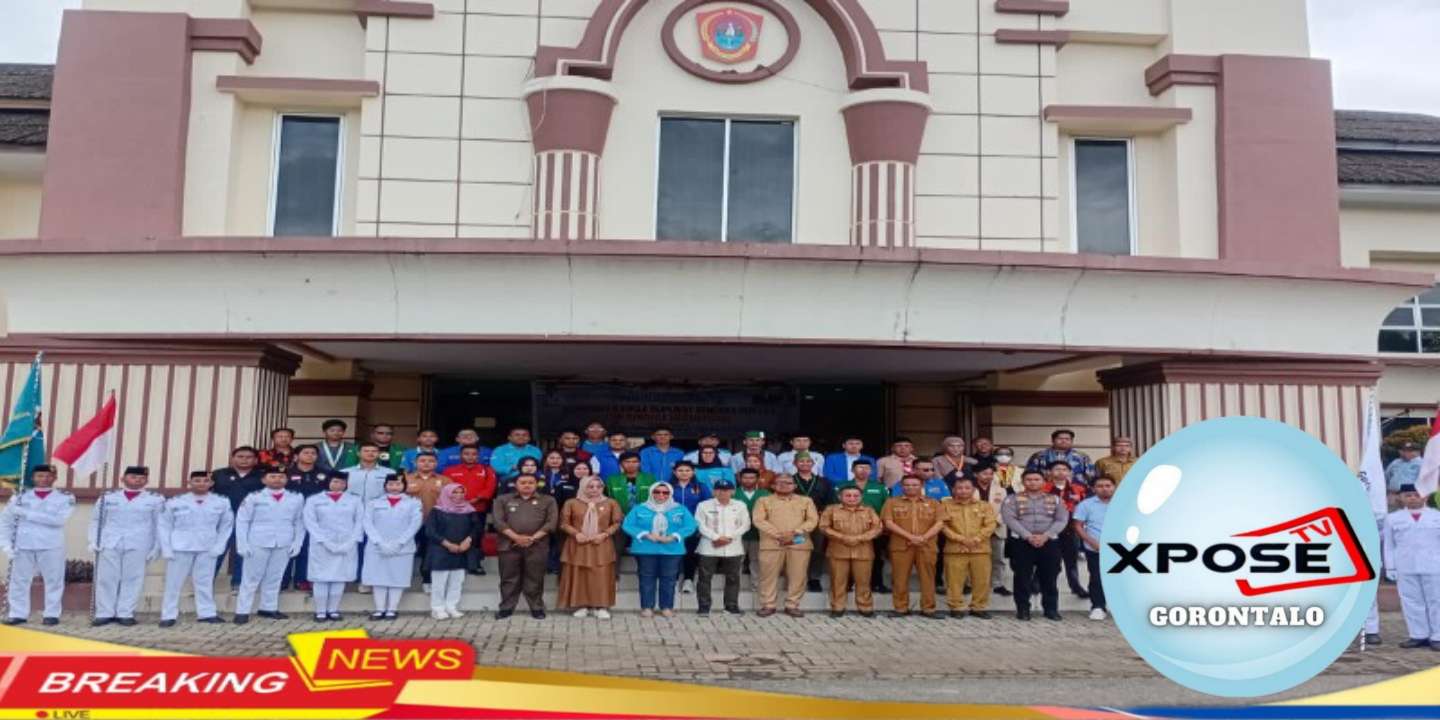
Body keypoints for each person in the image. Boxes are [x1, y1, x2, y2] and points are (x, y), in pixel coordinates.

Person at [89, 466, 164, 627]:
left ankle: (125, 613)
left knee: (133, 579)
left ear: (146, 481)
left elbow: (160, 525)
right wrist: (93, 540)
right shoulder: (107, 498)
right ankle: (104, 613)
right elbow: (96, 520)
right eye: (133, 477)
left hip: (139, 543)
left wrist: (157, 547)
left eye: (141, 478)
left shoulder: (155, 500)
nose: (137, 480)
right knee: (106, 578)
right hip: (110, 542)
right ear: (122, 479)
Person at [0, 465, 74, 626]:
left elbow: (58, 521)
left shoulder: (64, 498)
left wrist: (27, 513)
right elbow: (5, 522)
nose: (44, 479)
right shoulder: (20, 497)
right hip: (23, 544)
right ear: (33, 478)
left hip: (51, 544)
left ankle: (51, 614)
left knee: (54, 580)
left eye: (48, 476)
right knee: (19, 580)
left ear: (54, 478)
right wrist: (5, 544)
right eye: (40, 476)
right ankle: (17, 614)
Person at [158, 470, 234, 627]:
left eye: (205, 481)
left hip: (208, 547)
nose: (201, 484)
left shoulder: (221, 502)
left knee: (204, 582)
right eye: (197, 481)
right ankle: (168, 615)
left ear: (211, 483)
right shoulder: (175, 501)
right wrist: (166, 548)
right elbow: (164, 525)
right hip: (180, 546)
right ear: (189, 482)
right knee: (173, 583)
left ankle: (206, 613)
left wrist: (220, 546)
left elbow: (226, 525)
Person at [233, 469, 305, 624]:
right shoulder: (254, 497)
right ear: (264, 480)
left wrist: (297, 542)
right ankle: (242, 611)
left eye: (281, 477)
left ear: (286, 479)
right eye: (272, 476)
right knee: (251, 578)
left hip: (284, 541)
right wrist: (242, 543)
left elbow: (299, 522)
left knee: (275, 577)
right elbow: (242, 520)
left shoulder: (296, 497)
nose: (277, 479)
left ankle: (268, 608)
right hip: (258, 541)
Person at [1002, 470, 1070, 621]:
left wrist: (1046, 535)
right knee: (1022, 577)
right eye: (1029, 479)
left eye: (1036, 479)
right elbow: (1010, 519)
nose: (1033, 482)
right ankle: (1023, 609)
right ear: (1023, 482)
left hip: (1049, 542)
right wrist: (1027, 536)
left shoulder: (1055, 499)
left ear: (1044, 481)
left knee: (1050, 577)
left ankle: (1051, 609)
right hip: (1022, 542)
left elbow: (1062, 519)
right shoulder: (1012, 499)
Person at [623, 482, 697, 618]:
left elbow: (691, 526)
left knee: (669, 579)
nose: (661, 495)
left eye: (665, 492)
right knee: (646, 579)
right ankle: (647, 607)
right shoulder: (640, 508)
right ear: (651, 493)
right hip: (645, 549)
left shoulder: (680, 509)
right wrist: (645, 534)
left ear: (670, 494)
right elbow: (627, 525)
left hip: (672, 550)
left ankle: (666, 607)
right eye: (657, 492)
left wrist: (673, 536)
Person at [751, 474, 819, 617]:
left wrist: (795, 532)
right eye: (779, 482)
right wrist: (778, 534)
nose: (784, 485)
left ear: (795, 486)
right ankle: (768, 604)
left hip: (798, 543)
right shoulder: (763, 501)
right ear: (773, 486)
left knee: (798, 576)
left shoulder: (806, 501)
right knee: (768, 576)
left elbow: (812, 520)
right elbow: (758, 520)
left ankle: (792, 605)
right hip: (772, 543)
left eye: (788, 483)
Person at [493, 474, 558, 619]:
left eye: (530, 482)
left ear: (537, 484)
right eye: (522, 482)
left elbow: (551, 522)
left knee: (535, 578)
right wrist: (516, 537)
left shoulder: (548, 500)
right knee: (508, 578)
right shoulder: (503, 499)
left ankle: (536, 607)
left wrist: (532, 538)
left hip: (537, 545)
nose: (527, 485)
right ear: (516, 484)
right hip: (509, 545)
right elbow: (498, 522)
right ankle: (506, 607)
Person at [1384, 484, 1440, 649]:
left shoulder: (1436, 516)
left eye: (1417, 495)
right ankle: (1418, 635)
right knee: (1410, 600)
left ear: (1425, 496)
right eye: (1408, 495)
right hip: (1405, 565)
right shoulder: (1393, 518)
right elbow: (1389, 545)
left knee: (1436, 600)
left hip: (1434, 565)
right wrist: (1390, 567)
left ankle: (1437, 636)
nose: (1413, 498)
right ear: (1400, 498)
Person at [303, 472, 364, 622]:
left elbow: (360, 522)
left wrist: (350, 542)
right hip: (321, 545)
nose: (339, 485)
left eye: (342, 483)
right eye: (335, 482)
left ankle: (333, 610)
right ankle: (320, 611)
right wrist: (325, 542)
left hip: (346, 544)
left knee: (340, 577)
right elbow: (310, 522)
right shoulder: (314, 500)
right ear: (328, 482)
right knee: (320, 578)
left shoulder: (355, 500)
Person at [558, 476, 622, 619]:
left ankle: (601, 606)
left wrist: (605, 534)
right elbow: (563, 523)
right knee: (580, 575)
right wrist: (576, 534)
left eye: (598, 486)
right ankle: (582, 605)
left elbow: (617, 522)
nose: (594, 489)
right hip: (578, 544)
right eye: (590, 486)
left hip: (601, 544)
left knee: (601, 576)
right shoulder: (572, 503)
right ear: (582, 487)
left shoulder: (611, 503)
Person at [882, 475, 944, 618]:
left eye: (915, 485)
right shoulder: (891, 502)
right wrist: (911, 537)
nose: (911, 487)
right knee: (900, 578)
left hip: (926, 546)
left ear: (921, 485)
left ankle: (928, 608)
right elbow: (888, 523)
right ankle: (900, 608)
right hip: (901, 546)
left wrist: (923, 538)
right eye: (907, 485)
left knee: (928, 578)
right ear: (901, 486)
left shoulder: (933, 503)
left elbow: (940, 523)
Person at [362, 474, 422, 620]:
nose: (394, 487)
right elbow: (367, 523)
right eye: (391, 484)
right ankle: (379, 609)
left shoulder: (413, 503)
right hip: (377, 547)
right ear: (385, 486)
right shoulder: (374, 503)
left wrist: (400, 542)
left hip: (402, 548)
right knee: (378, 578)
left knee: (398, 578)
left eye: (398, 484)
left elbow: (415, 524)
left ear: (404, 486)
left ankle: (392, 609)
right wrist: (379, 542)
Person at [818, 485, 883, 617]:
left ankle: (865, 607)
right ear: (840, 497)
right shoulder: (831, 510)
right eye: (848, 495)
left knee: (863, 581)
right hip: (838, 550)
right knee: (838, 581)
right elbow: (824, 527)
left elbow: (878, 528)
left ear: (861, 497)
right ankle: (837, 607)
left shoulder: (869, 510)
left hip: (863, 551)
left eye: (855, 496)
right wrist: (843, 537)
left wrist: (859, 538)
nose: (852, 498)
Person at [344, 441, 399, 592]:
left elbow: (393, 493)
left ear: (379, 454)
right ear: (358, 453)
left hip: (378, 517)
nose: (370, 453)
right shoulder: (346, 472)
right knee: (351, 548)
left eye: (374, 451)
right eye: (366, 450)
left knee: (373, 549)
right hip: (351, 516)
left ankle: (367, 580)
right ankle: (348, 577)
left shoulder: (389, 473)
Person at [941, 475, 997, 618]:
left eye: (967, 488)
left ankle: (978, 607)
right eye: (959, 488)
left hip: (980, 549)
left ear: (973, 489)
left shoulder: (984, 505)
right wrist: (960, 539)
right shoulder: (945, 505)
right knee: (954, 580)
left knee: (982, 580)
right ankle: (956, 607)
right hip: (955, 549)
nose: (963, 491)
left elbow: (991, 525)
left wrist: (977, 538)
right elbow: (942, 525)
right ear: (953, 490)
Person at [694, 478, 750, 615]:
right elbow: (700, 524)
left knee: (733, 578)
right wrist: (716, 537)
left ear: (732, 491)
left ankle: (731, 606)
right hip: (709, 547)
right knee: (704, 578)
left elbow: (745, 525)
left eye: (726, 490)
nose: (722, 493)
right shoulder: (703, 505)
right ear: (714, 491)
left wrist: (729, 537)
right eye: (719, 490)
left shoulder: (740, 505)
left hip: (733, 547)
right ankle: (704, 607)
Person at [834, 458, 891, 594]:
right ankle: (847, 584)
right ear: (852, 470)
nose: (863, 470)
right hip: (847, 527)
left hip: (873, 528)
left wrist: (883, 525)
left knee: (876, 556)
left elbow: (886, 507)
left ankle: (876, 583)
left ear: (871, 471)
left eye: (866, 468)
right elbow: (834, 506)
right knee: (847, 556)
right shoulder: (841, 486)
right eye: (860, 467)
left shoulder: (880, 487)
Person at [212, 446, 265, 589]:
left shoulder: (262, 476)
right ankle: (205, 583)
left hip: (251, 520)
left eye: (248, 457)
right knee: (216, 551)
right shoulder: (218, 474)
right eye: (240, 457)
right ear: (232, 458)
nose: (244, 460)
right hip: (222, 519)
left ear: (255, 460)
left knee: (244, 551)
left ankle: (238, 583)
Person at [282, 445, 332, 592]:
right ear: (296, 456)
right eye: (306, 453)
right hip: (290, 515)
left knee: (307, 548)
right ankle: (283, 579)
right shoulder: (286, 473)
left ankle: (302, 579)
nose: (310, 455)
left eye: (313, 453)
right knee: (286, 547)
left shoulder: (325, 474)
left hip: (315, 516)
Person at [424, 483, 478, 620]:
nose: (458, 495)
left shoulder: (469, 510)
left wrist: (468, 541)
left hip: (462, 550)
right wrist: (447, 544)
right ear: (447, 493)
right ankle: (437, 608)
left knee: (457, 582)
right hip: (440, 550)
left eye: (461, 492)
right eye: (455, 492)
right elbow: (430, 531)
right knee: (439, 583)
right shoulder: (437, 510)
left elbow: (476, 528)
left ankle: (451, 606)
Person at [443, 445, 497, 575]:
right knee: (455, 536)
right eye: (466, 453)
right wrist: (459, 500)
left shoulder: (487, 470)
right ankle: (455, 563)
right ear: (461, 455)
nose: (470, 456)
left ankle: (474, 564)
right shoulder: (449, 471)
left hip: (477, 509)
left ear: (478, 456)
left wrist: (477, 498)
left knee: (475, 537)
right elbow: (446, 488)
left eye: (474, 454)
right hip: (455, 509)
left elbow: (490, 487)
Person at [1046, 460, 1091, 599]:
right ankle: (1040, 584)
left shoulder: (1078, 489)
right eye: (1057, 469)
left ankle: (1075, 586)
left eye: (1064, 469)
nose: (1061, 472)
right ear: (1050, 472)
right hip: (1049, 528)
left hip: (1071, 529)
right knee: (1048, 560)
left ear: (1070, 472)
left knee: (1071, 560)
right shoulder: (1043, 488)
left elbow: (1085, 507)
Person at [1072, 475, 1115, 621]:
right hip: (1096, 547)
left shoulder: (1124, 503)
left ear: (1114, 487)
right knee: (1097, 578)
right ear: (1093, 488)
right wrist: (1091, 542)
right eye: (1100, 486)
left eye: (1108, 485)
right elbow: (1078, 526)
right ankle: (1098, 606)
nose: (1104, 489)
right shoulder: (1086, 505)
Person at [406, 450, 448, 592]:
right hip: (409, 523)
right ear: (415, 463)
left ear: (436, 463)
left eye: (430, 461)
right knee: (406, 551)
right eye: (422, 461)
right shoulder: (405, 479)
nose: (426, 463)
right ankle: (402, 579)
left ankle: (427, 580)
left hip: (435, 522)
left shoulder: (445, 480)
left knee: (429, 552)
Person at [792, 452, 833, 593]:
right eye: (801, 461)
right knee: (797, 547)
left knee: (817, 549)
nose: (805, 464)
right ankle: (797, 576)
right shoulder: (790, 480)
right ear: (795, 464)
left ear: (813, 464)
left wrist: (824, 515)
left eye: (808, 461)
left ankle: (814, 578)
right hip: (795, 522)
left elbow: (830, 502)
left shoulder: (824, 482)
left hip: (817, 521)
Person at [670, 461, 712, 594]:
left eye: (687, 470)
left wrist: (702, 526)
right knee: (673, 553)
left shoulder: (701, 487)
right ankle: (673, 580)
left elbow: (708, 507)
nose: (684, 473)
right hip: (672, 526)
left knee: (690, 553)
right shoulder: (668, 487)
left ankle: (688, 580)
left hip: (693, 526)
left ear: (693, 472)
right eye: (680, 470)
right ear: (674, 472)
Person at [971, 465, 1012, 597]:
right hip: (974, 529)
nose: (988, 476)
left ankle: (997, 584)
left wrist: (994, 523)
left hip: (996, 528)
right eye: (984, 473)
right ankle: (971, 584)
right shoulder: (969, 488)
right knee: (974, 558)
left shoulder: (1001, 490)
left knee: (998, 558)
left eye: (990, 474)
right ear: (976, 474)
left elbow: (1006, 509)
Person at [543, 451, 580, 574]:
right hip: (542, 510)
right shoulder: (540, 474)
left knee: (558, 539)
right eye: (551, 457)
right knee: (545, 538)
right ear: (546, 459)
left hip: (561, 510)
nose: (555, 460)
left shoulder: (568, 475)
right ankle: (545, 564)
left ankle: (555, 565)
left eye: (558, 458)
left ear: (563, 460)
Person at [734, 468, 770, 588]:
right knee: (737, 559)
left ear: (757, 479)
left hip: (758, 533)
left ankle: (757, 584)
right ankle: (734, 584)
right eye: (745, 477)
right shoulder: (733, 493)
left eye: (751, 478)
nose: (748, 480)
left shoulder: (765, 494)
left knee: (757, 560)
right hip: (737, 534)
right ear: (740, 479)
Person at [1026, 429, 1096, 485]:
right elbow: (1029, 474)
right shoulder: (1040, 456)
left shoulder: (1082, 456)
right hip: (1045, 491)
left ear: (1072, 441)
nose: (1063, 441)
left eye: (1067, 439)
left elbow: (1091, 476)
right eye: (1060, 438)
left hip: (1076, 492)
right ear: (1052, 440)